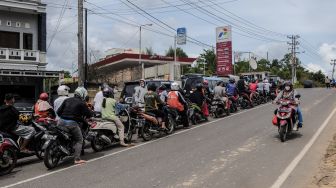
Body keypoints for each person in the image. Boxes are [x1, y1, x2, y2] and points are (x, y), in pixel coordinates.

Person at [57, 87, 93, 165]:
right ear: (83, 94)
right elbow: (89, 114)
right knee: (79, 139)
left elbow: (58, 112)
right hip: (71, 124)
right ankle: (77, 159)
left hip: (60, 122)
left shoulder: (67, 100)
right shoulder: (82, 103)